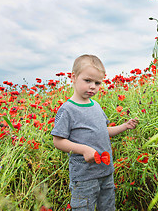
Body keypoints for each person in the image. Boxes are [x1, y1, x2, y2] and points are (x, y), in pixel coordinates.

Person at [51, 54, 138, 210]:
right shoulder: (68, 110)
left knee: (108, 207)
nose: (93, 86)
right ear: (73, 77)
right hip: (84, 177)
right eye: (88, 81)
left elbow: (103, 131)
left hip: (106, 172)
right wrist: (84, 149)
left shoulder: (96, 106)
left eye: (97, 83)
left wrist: (124, 126)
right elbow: (58, 141)